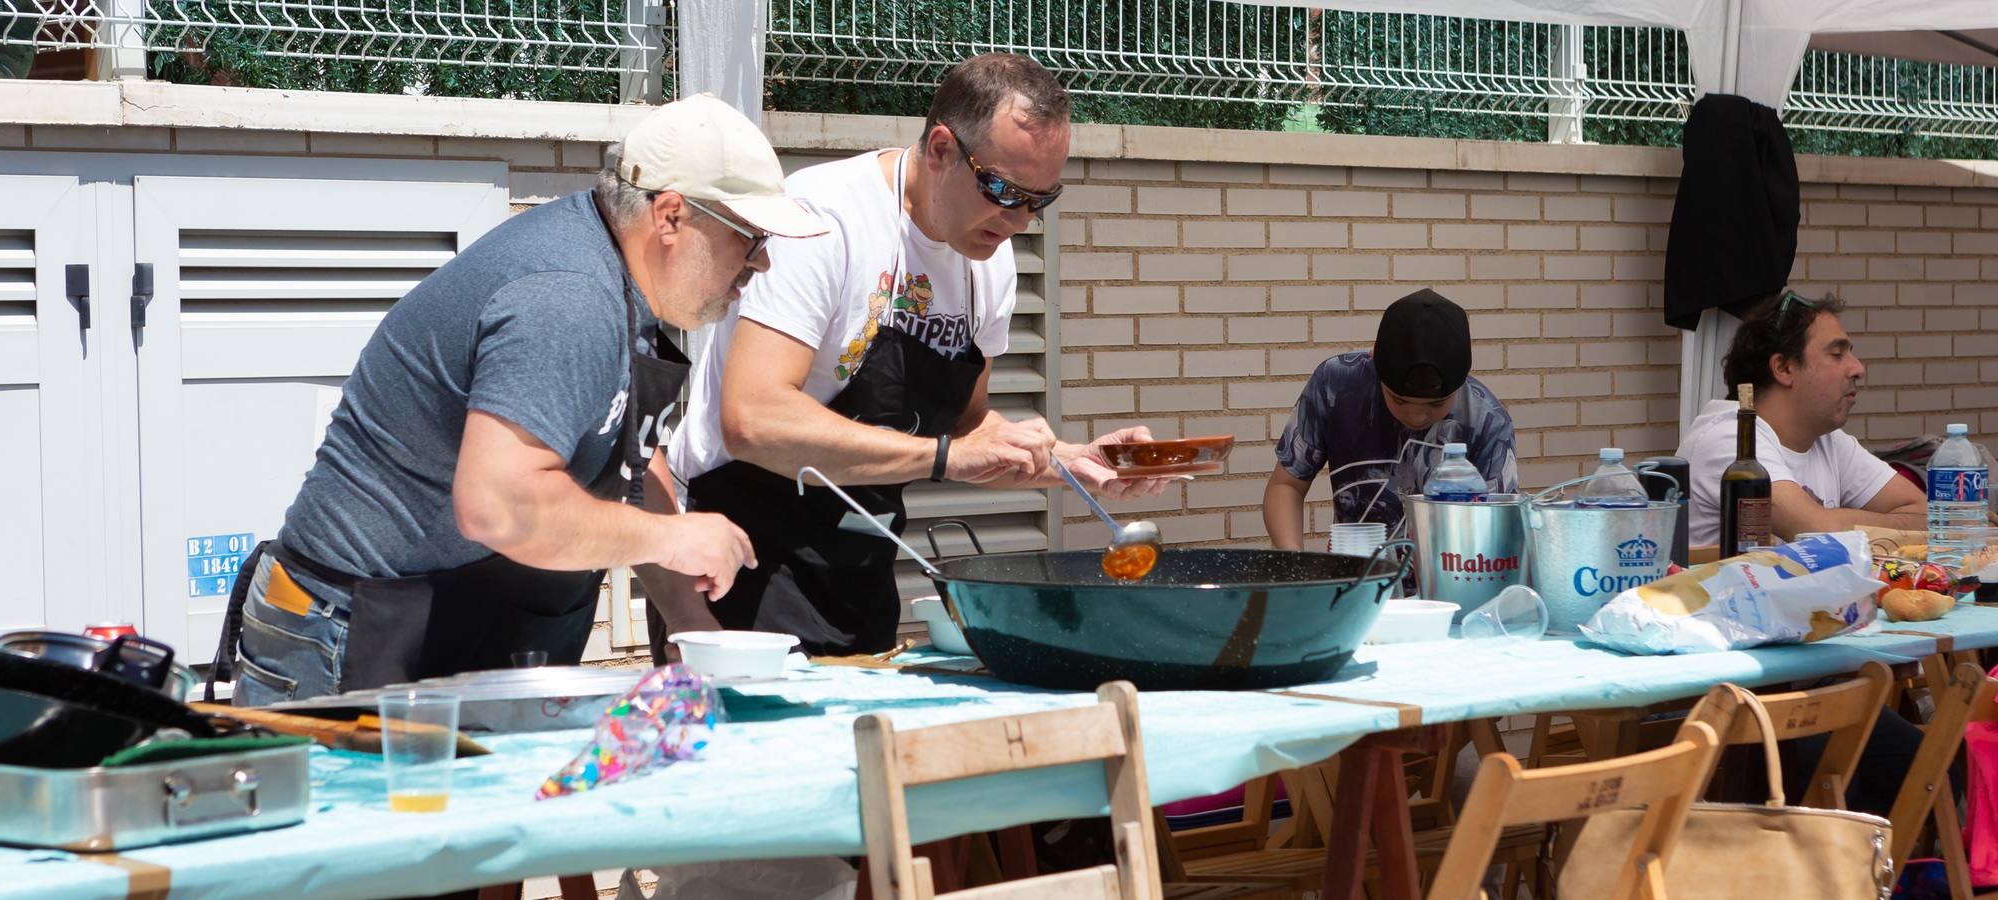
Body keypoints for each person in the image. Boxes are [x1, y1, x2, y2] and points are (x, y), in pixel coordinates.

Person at [211, 94, 829, 706]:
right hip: (344, 630)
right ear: (670, 217)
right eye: (750, 239)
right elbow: (500, 506)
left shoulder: (624, 280)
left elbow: (637, 461)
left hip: (443, 617)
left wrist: (689, 621)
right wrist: (673, 540)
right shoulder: (567, 298)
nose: (764, 262)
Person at [659, 53, 1167, 660]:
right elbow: (753, 420)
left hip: (861, 559)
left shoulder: (989, 258)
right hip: (739, 551)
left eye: (1041, 199)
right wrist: (946, 460)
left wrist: (1072, 461)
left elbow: (966, 418)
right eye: (1004, 191)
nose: (1018, 220)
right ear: (942, 150)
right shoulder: (824, 220)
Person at [1262, 289, 1518, 548]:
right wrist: (1294, 562)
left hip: (1450, 581)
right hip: (1356, 579)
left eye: (1437, 404)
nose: (1417, 416)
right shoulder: (1336, 386)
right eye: (1399, 400)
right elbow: (1287, 486)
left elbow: (1497, 535)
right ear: (1375, 360)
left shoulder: (1487, 420)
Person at [1677, 291, 1925, 547]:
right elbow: (1816, 531)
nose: (1858, 369)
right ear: (1784, 368)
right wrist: (1838, 523)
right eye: (1837, 354)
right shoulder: (1730, 437)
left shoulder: (1826, 439)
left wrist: (1837, 523)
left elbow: (1924, 514)